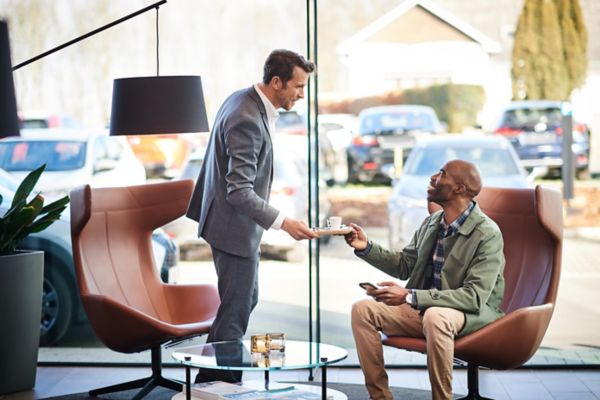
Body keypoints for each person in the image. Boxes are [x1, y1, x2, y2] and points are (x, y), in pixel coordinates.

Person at [186, 49, 318, 383]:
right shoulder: (246, 116)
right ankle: (222, 385)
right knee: (235, 311)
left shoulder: (242, 99)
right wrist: (286, 223)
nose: (301, 95)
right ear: (276, 82)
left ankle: (207, 382)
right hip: (231, 228)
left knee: (243, 302)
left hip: (230, 225)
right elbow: (239, 190)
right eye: (298, 87)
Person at [344, 159, 505, 400]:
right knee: (363, 309)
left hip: (468, 313)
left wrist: (409, 296)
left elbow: (474, 297)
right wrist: (366, 247)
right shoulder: (432, 222)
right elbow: (404, 266)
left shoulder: (487, 233)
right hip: (427, 308)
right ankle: (379, 397)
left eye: (442, 174)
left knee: (435, 315)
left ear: (459, 189)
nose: (433, 178)